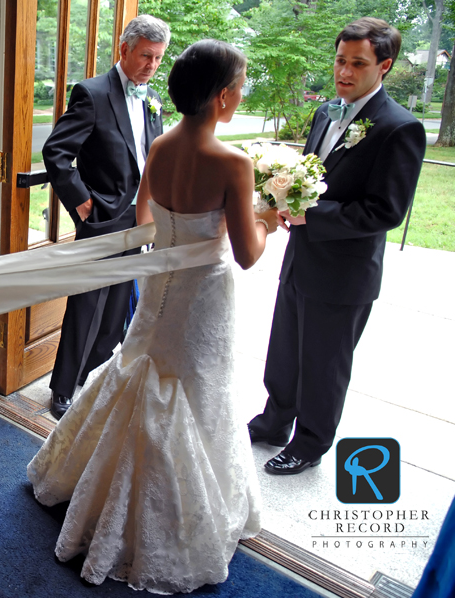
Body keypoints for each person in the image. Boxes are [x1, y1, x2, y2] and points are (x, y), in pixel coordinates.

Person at [28, 40, 277, 593]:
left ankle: (85, 478)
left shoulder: (161, 145)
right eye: (237, 86)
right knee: (197, 386)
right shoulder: (233, 163)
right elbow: (246, 253)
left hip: (160, 279)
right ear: (220, 97)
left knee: (135, 364)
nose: (238, 95)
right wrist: (269, 217)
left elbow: (143, 214)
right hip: (203, 295)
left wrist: (174, 238)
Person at [248, 18, 426, 475]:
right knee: (284, 348)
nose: (344, 72)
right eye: (340, 61)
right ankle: (273, 421)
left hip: (344, 272)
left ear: (384, 65)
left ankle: (309, 443)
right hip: (301, 256)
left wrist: (314, 215)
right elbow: (313, 176)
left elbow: (385, 211)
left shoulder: (399, 127)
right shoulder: (327, 112)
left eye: (358, 64)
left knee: (324, 365)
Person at [42, 15, 169, 420]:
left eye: (158, 58)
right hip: (102, 219)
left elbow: (152, 156)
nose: (151, 66)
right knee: (86, 308)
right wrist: (82, 203)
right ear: (124, 49)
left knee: (116, 315)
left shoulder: (152, 99)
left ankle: (92, 379)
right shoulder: (92, 93)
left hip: (140, 219)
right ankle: (62, 390)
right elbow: (56, 153)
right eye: (146, 56)